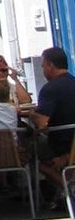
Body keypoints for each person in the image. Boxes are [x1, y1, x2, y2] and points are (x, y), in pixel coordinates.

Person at [33, 46, 75, 195]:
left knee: (33, 154)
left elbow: (42, 123)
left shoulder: (49, 89)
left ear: (50, 65)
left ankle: (67, 188)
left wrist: (32, 115)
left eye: (43, 66)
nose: (43, 70)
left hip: (62, 144)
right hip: (72, 144)